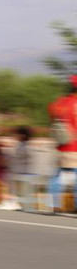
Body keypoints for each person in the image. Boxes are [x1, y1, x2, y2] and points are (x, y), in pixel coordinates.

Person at [47, 75, 77, 212]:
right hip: (75, 146)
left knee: (57, 176)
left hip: (61, 146)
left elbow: (51, 114)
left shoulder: (60, 102)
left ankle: (55, 205)